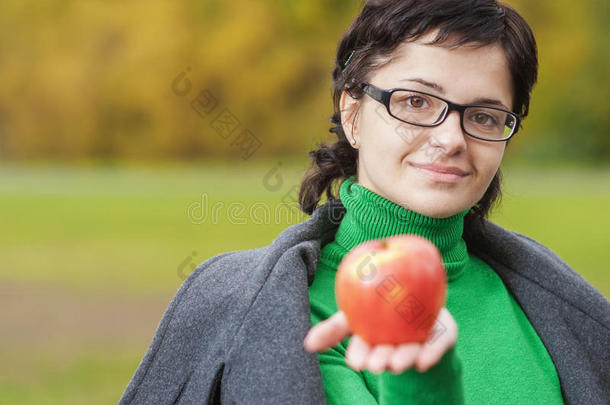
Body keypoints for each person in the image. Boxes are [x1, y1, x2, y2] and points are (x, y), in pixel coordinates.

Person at [118, 1, 610, 404]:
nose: (451, 138)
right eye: (416, 102)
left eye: (483, 115)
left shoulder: (554, 305)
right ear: (352, 114)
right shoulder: (288, 312)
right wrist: (424, 384)